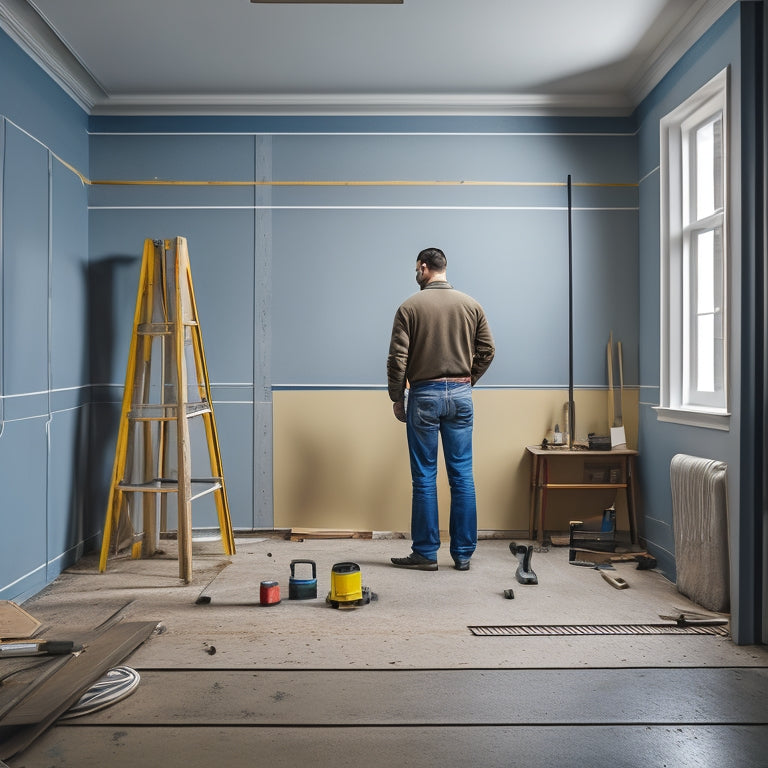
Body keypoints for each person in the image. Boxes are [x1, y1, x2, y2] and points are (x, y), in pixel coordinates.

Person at [387, 247, 495, 571]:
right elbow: (487, 350)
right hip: (461, 395)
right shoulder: (471, 305)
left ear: (423, 268)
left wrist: (397, 396)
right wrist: (466, 381)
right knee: (462, 475)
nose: (416, 274)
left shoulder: (409, 307)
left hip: (424, 395)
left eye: (416, 269)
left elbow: (397, 359)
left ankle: (425, 553)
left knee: (424, 477)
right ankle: (463, 554)